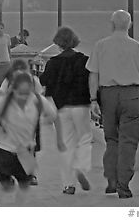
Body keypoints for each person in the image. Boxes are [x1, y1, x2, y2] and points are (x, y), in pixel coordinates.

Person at [86, 10, 139, 199]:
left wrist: (93, 100)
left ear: (112, 24)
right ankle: (124, 185)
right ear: (129, 24)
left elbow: (94, 75)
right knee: (128, 141)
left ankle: (111, 180)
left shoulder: (101, 46)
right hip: (132, 94)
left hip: (108, 95)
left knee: (112, 139)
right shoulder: (138, 47)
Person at [0, 71, 57, 206]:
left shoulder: (38, 100)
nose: (23, 97)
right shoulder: (4, 102)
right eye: (20, 93)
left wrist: (44, 120)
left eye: (26, 93)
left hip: (26, 150)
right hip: (4, 150)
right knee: (6, 185)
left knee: (24, 183)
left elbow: (52, 114)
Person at [39, 27, 92, 195]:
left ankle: (68, 184)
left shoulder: (53, 63)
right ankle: (81, 166)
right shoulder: (84, 60)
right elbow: (92, 81)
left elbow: (44, 81)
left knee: (66, 145)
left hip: (61, 108)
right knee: (84, 139)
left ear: (58, 42)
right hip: (81, 106)